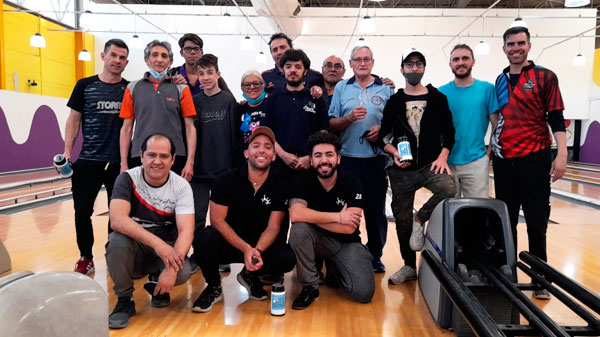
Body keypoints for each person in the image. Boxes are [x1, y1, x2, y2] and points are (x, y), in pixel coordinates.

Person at [493, 27, 566, 300]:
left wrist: (561, 154)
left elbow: (556, 118)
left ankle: (540, 278)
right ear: (504, 48)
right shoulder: (500, 80)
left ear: (529, 46)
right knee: (506, 221)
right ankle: (508, 273)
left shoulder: (545, 77)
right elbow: (500, 119)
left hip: (535, 158)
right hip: (504, 161)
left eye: (521, 43)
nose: (516, 47)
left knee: (536, 221)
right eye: (511, 43)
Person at [191, 127, 296, 313]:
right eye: (256, 146)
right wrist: (246, 249)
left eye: (268, 147)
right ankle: (214, 286)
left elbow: (273, 227)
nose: (261, 150)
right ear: (247, 153)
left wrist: (257, 251)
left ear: (273, 156)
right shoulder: (225, 180)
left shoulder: (280, 184)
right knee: (203, 238)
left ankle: (249, 275)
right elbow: (217, 221)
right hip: (231, 244)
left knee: (286, 258)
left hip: (260, 246)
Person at [379, 47, 456, 285]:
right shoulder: (394, 101)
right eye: (409, 65)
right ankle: (409, 266)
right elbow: (384, 136)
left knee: (449, 190)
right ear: (402, 69)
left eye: (418, 64)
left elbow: (450, 133)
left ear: (424, 68)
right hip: (401, 170)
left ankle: (419, 220)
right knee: (401, 218)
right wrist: (394, 153)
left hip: (430, 165)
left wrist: (443, 157)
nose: (414, 69)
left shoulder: (438, 98)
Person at [106, 134, 195, 329]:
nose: (157, 161)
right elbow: (117, 220)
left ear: (172, 160)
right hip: (138, 248)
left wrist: (171, 269)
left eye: (164, 156)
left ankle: (159, 287)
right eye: (151, 155)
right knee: (116, 242)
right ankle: (124, 300)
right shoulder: (127, 179)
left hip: (166, 249)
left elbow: (186, 231)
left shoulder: (181, 186)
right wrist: (159, 245)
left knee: (182, 273)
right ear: (142, 156)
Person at [64, 38, 130, 275]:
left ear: (126, 62)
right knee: (82, 211)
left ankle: (115, 255)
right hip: (88, 161)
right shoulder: (84, 85)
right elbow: (74, 120)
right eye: (113, 55)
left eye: (122, 58)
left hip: (119, 164)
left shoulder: (129, 89)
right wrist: (66, 152)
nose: (117, 61)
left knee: (118, 215)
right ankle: (85, 257)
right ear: (103, 57)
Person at [288, 132, 375, 310]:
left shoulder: (353, 183)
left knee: (363, 293)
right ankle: (310, 286)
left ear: (338, 158)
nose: (324, 160)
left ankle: (335, 267)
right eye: (318, 156)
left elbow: (350, 228)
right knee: (299, 231)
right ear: (311, 160)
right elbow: (296, 215)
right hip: (316, 241)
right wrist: (338, 217)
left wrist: (310, 216)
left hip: (346, 243)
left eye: (329, 154)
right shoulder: (302, 180)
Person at [329, 46, 393, 273]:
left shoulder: (386, 89)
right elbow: (332, 123)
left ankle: (375, 254)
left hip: (375, 160)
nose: (362, 63)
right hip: (347, 160)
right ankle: (348, 252)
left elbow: (395, 123)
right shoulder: (341, 87)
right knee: (346, 209)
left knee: (375, 212)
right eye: (358, 60)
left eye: (366, 59)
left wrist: (382, 129)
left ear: (373, 63)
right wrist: (349, 118)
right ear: (352, 63)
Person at [119, 40, 196, 181]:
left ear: (170, 62)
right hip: (140, 156)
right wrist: (123, 163)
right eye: (155, 55)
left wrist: (189, 162)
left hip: (175, 156)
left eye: (164, 56)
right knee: (141, 202)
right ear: (147, 60)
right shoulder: (132, 88)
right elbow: (126, 128)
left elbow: (190, 127)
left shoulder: (181, 88)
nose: (159, 60)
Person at [260, 49, 330, 183]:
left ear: (305, 71)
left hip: (309, 166)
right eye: (288, 66)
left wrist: (310, 157)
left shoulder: (316, 99)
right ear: (282, 70)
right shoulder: (272, 100)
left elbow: (323, 133)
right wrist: (283, 155)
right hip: (278, 166)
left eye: (298, 67)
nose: (293, 70)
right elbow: (266, 133)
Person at [439, 44, 499, 198]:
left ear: (473, 61)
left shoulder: (487, 89)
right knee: (449, 214)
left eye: (465, 58)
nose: (460, 62)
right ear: (450, 64)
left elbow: (496, 125)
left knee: (477, 212)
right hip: (447, 162)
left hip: (476, 161)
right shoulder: (441, 93)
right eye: (456, 59)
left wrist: (488, 154)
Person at [190, 54, 238, 232]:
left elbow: (234, 136)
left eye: (209, 73)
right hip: (199, 172)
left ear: (218, 74)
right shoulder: (194, 102)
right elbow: (190, 135)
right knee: (197, 216)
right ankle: (198, 254)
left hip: (224, 170)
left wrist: (234, 168)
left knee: (224, 217)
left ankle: (221, 254)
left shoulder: (228, 101)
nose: (206, 78)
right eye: (201, 74)